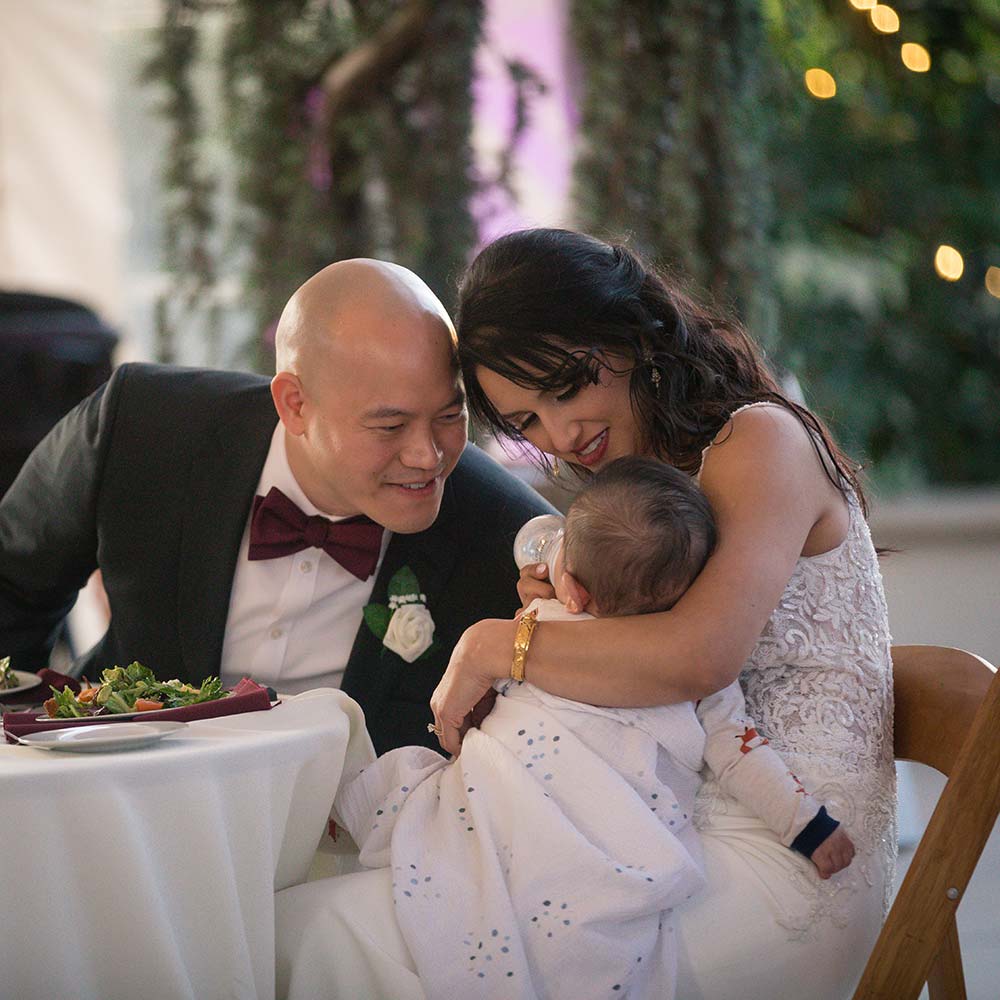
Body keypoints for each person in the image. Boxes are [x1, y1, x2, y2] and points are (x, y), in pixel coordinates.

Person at [276, 230, 895, 1000]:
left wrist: (503, 645)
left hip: (792, 856)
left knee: (323, 936)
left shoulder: (758, 439)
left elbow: (701, 660)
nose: (562, 436)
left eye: (566, 386)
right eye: (526, 421)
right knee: (347, 905)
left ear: (628, 329)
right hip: (653, 831)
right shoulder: (647, 481)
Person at [282, 456, 854, 1000]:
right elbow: (741, 753)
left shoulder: (544, 629)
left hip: (504, 800)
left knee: (414, 784)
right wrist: (807, 825)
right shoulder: (695, 674)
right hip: (601, 838)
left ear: (574, 589)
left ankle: (345, 823)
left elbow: (492, 683)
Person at [0, 259, 554, 753]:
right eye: (390, 425)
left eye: (449, 416)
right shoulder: (143, 428)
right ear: (295, 405)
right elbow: (12, 581)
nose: (427, 454)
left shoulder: (503, 529)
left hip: (347, 843)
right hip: (120, 795)